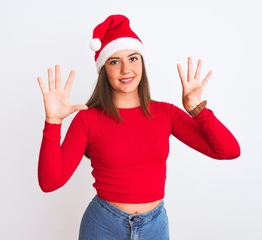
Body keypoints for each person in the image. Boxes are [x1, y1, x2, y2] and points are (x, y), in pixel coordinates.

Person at [36, 14, 240, 240]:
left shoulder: (166, 113)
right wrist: (53, 123)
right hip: (103, 226)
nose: (126, 69)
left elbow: (228, 151)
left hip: (154, 227)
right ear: (104, 70)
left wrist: (197, 110)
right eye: (115, 61)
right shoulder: (88, 119)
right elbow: (50, 182)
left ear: (141, 62)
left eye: (133, 58)